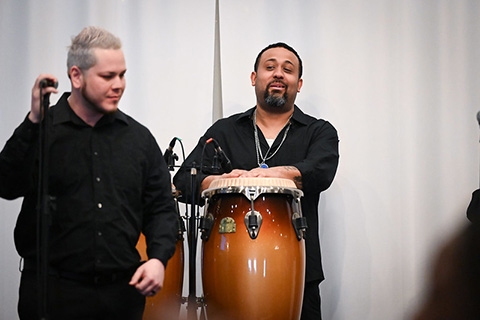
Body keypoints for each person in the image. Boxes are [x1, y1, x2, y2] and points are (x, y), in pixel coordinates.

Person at [0, 26, 178, 319]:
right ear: (76, 76)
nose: (119, 84)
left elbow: (161, 208)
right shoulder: (43, 129)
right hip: (52, 293)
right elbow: (6, 184)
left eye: (122, 74)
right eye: (108, 76)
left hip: (120, 296)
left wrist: (158, 259)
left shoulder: (139, 139)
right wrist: (33, 120)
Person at [173, 42, 339, 320]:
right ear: (254, 78)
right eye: (270, 67)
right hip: (228, 270)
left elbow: (321, 171)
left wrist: (272, 174)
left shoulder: (318, 131)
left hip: (300, 270)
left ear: (298, 84)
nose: (278, 74)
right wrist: (219, 180)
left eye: (287, 70)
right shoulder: (225, 130)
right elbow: (183, 179)